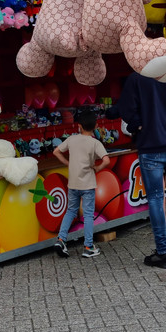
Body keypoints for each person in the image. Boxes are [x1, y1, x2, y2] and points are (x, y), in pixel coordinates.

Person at [118, 71, 166, 269]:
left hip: (150, 146)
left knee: (156, 198)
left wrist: (137, 125)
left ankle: (163, 253)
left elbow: (124, 109)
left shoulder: (137, 78)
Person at [52, 110, 111, 259]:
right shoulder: (95, 143)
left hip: (73, 183)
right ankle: (88, 247)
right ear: (96, 126)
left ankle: (61, 240)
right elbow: (106, 160)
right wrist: (97, 168)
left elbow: (56, 151)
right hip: (88, 184)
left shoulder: (72, 139)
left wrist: (68, 163)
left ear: (79, 126)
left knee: (70, 211)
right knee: (88, 214)